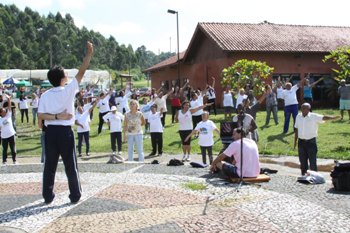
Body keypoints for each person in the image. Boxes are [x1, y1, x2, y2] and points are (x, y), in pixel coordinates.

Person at [38, 41, 93, 204]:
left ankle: (48, 196)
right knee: (71, 165)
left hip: (50, 133)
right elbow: (81, 72)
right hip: (64, 133)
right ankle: (75, 195)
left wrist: (54, 117)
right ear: (63, 78)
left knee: (50, 166)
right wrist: (88, 55)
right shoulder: (69, 90)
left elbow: (40, 115)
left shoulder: (45, 95)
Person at [294, 103, 339, 175]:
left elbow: (324, 117)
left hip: (311, 142)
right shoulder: (298, 116)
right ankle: (303, 175)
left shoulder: (314, 116)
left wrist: (333, 117)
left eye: (304, 108)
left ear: (308, 109)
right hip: (301, 142)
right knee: (302, 161)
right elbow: (296, 129)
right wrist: (295, 141)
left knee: (312, 161)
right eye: (302, 108)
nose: (302, 110)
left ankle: (314, 176)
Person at [0, 94, 17, 165]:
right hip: (4, 137)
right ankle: (4, 161)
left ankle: (14, 161)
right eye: (4, 110)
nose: (5, 110)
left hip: (11, 135)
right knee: (5, 150)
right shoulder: (0, 120)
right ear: (1, 113)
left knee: (13, 149)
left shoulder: (8, 115)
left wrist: (9, 99)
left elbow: (10, 107)